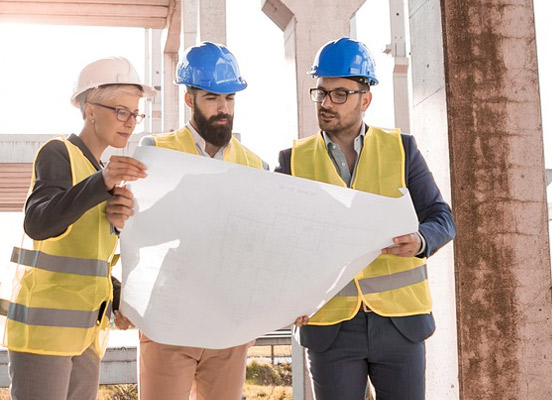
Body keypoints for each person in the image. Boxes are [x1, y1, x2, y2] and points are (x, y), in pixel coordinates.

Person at [276, 38, 456, 399]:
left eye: (339, 94)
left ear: (365, 99)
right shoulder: (293, 160)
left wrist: (421, 240)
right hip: (330, 330)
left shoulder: (401, 149)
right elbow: (279, 242)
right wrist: (285, 299)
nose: (326, 103)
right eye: (321, 92)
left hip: (400, 326)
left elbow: (441, 217)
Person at [0, 57, 154, 400]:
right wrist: (101, 183)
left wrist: (121, 300)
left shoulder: (100, 173)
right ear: (89, 108)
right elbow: (39, 222)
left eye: (135, 114)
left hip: (86, 336)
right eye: (121, 111)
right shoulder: (58, 152)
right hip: (42, 336)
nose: (130, 123)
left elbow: (89, 264)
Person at [116, 41, 267, 400]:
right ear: (189, 99)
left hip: (228, 326)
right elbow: (130, 228)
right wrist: (125, 296)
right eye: (213, 98)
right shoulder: (157, 150)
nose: (223, 109)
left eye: (230, 99)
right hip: (169, 321)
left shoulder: (255, 166)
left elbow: (261, 247)